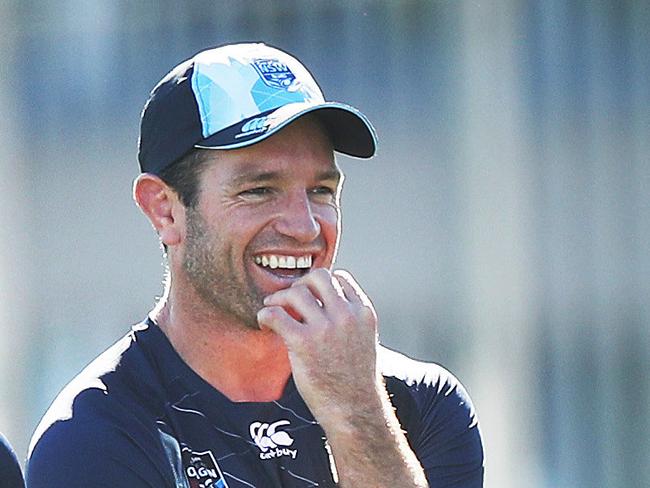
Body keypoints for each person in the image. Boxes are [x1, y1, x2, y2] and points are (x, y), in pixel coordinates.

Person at [26, 43, 484, 487]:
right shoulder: (98, 437)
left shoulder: (418, 405)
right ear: (165, 210)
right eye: (259, 190)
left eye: (321, 191)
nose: (304, 227)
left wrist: (357, 417)